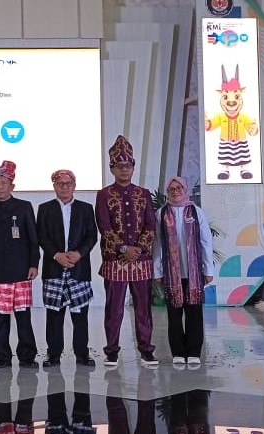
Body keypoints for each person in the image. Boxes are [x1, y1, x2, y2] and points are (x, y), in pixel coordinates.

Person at [95, 135, 158, 367]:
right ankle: (111, 350)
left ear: (133, 167)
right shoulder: (103, 194)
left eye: (128, 165)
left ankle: (146, 350)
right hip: (115, 259)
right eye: (119, 166)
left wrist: (138, 249)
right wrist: (123, 248)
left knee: (143, 309)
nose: (124, 169)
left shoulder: (143, 193)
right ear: (112, 168)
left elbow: (151, 225)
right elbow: (104, 227)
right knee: (114, 309)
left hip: (141, 259)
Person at [0, 161, 40, 369]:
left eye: (3, 183)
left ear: (12, 185)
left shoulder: (24, 207)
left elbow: (33, 239)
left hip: (21, 270)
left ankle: (27, 356)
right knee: (0, 319)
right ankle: (3, 357)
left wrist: (34, 264)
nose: (0, 187)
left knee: (23, 317)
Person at [36, 169, 97, 368]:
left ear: (74, 185)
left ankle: (82, 354)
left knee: (80, 315)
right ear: (54, 186)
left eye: (68, 183)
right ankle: (53, 354)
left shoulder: (85, 208)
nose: (64, 187)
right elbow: (41, 236)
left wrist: (79, 253)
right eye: (60, 183)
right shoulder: (45, 209)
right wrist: (57, 255)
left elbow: (92, 235)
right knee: (54, 315)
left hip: (79, 268)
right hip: (54, 268)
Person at [153, 176, 214, 368]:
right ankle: (178, 352)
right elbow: (157, 244)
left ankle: (194, 352)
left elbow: (206, 242)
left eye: (179, 188)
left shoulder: (196, 212)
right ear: (167, 192)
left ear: (185, 190)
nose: (175, 191)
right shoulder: (161, 213)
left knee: (194, 313)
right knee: (174, 314)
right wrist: (157, 271)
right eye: (171, 189)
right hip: (171, 274)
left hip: (194, 273)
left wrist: (208, 269)